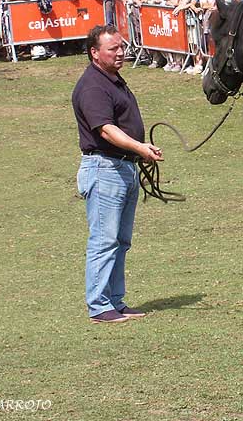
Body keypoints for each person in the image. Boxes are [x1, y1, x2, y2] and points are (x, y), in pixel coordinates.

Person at [72, 25, 163, 324]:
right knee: (104, 239)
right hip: (105, 169)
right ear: (94, 53)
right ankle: (98, 305)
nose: (121, 52)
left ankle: (114, 300)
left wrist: (138, 151)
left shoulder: (113, 80)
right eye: (113, 49)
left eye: (121, 47)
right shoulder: (93, 86)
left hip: (123, 168)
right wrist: (140, 147)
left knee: (120, 240)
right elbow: (106, 130)